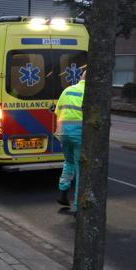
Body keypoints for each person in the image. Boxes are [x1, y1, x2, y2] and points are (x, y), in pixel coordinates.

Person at [55, 70, 86, 214]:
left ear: (81, 77)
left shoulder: (67, 90)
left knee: (68, 162)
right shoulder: (90, 92)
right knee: (80, 169)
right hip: (79, 133)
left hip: (64, 132)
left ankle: (62, 192)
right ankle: (77, 207)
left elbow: (57, 112)